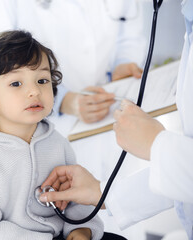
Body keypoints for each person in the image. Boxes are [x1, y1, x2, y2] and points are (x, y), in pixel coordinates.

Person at [38, 0, 193, 238]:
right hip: (61, 125)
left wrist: (157, 145)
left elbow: (129, 36)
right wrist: (62, 100)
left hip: (114, 120)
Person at [0, 30, 104, 240]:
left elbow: (76, 203)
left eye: (42, 80)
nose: (34, 91)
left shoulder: (58, 143)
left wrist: (81, 231)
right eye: (16, 83)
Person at [0, 0, 146, 124]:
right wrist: (63, 100)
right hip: (44, 122)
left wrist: (122, 63)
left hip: (109, 109)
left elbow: (129, 31)